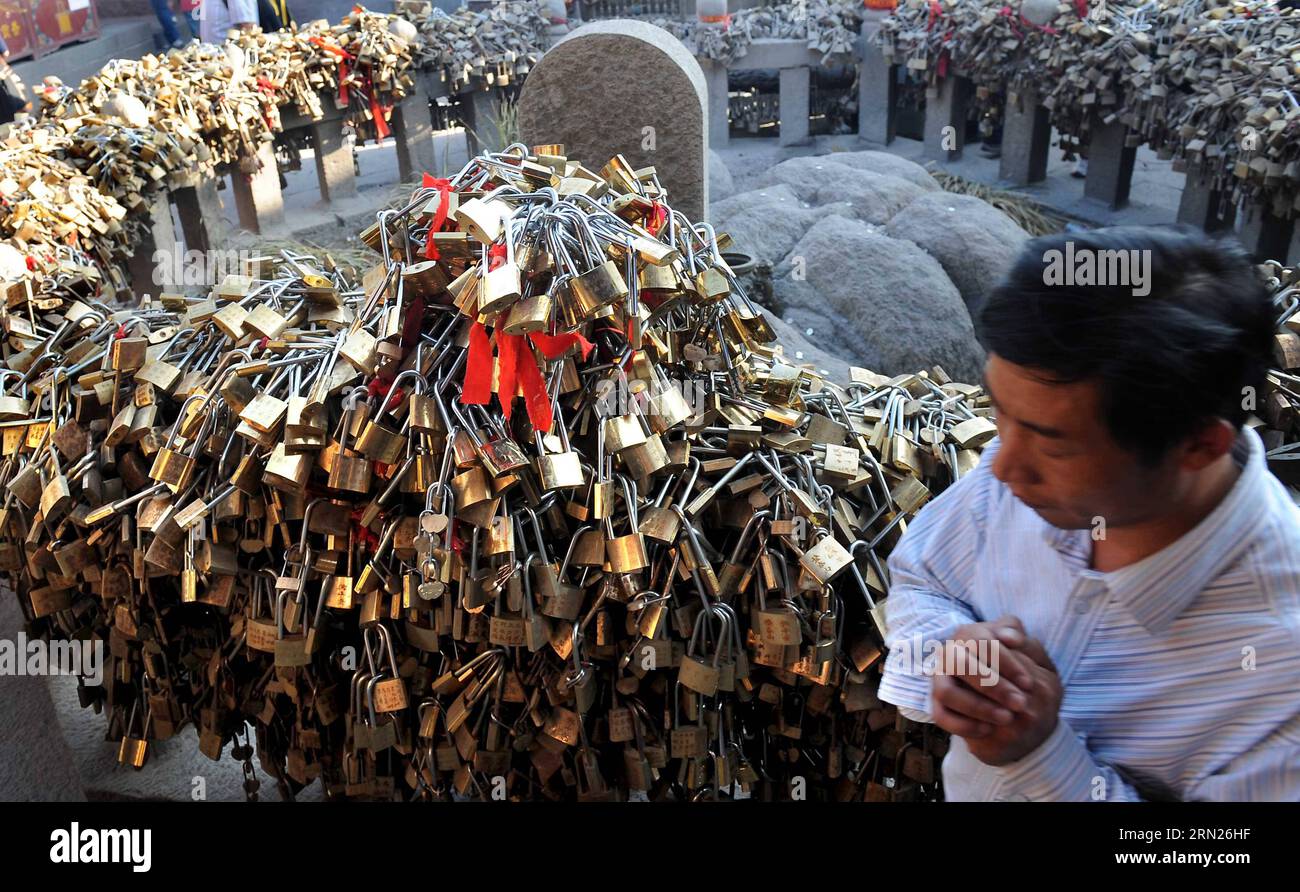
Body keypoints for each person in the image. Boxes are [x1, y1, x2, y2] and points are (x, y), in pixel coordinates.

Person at [878, 226, 1300, 801]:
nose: (1001, 469)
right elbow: (923, 575)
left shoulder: (1280, 673)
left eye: (1054, 445)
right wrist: (953, 659)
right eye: (1000, 415)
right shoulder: (1029, 463)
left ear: (1199, 445)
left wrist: (1041, 757)